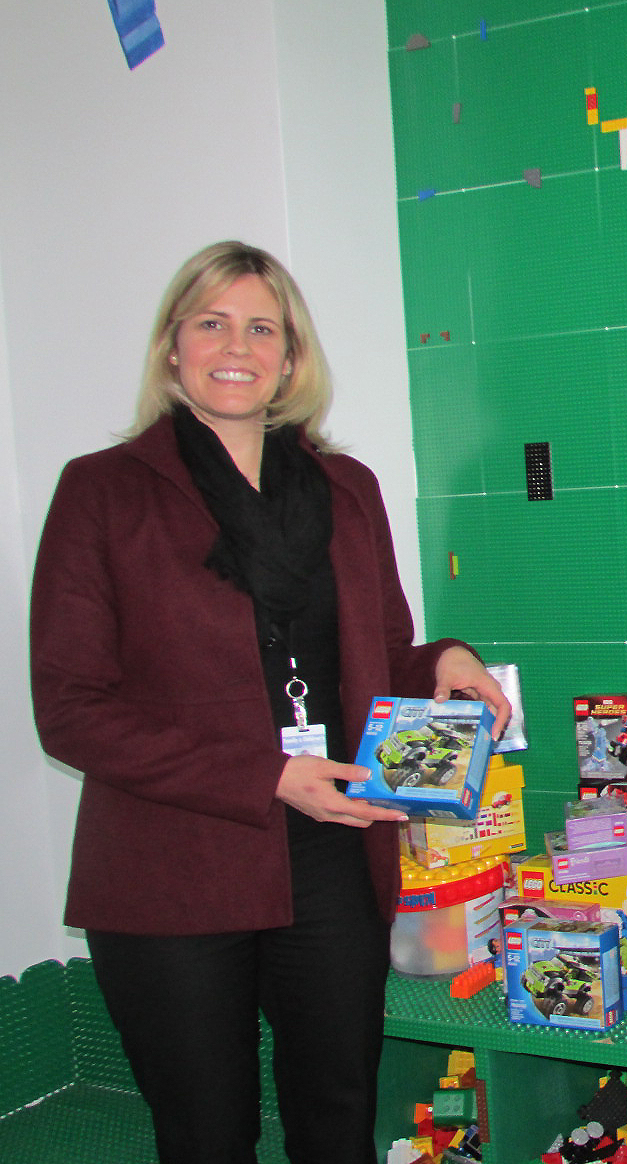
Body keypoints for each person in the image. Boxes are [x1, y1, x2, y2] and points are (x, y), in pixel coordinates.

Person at [29, 241, 511, 1164]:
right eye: (211, 322)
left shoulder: (346, 489)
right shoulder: (103, 492)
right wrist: (268, 776)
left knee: (336, 1123)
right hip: (171, 869)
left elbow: (380, 657)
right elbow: (72, 709)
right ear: (173, 348)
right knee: (207, 1135)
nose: (236, 346)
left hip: (334, 855)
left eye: (262, 327)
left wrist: (446, 659)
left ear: (291, 357)